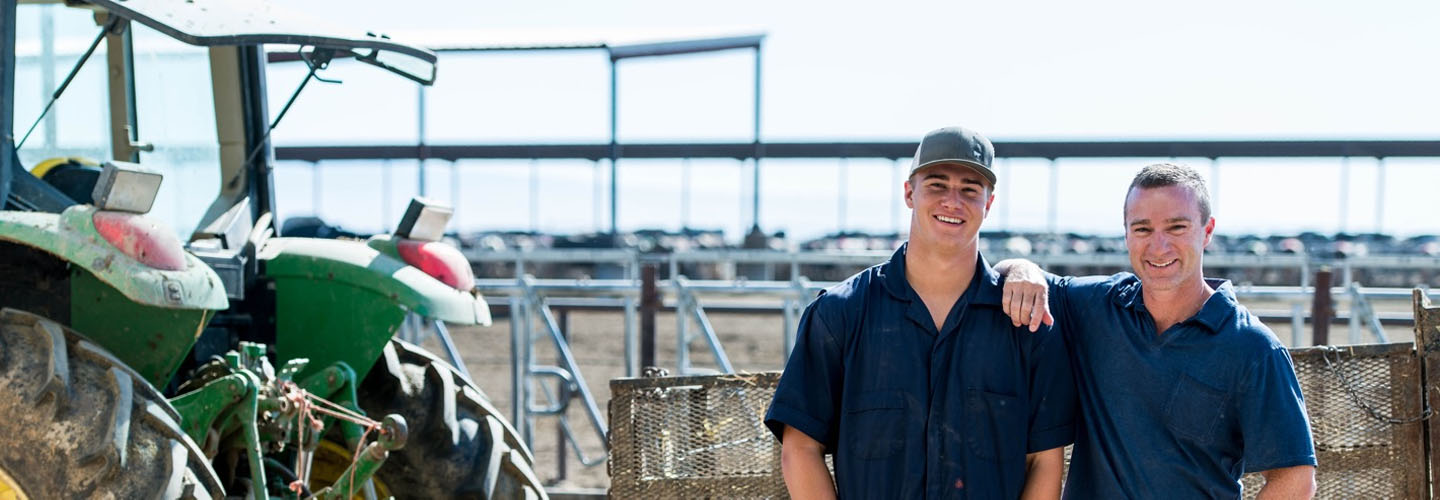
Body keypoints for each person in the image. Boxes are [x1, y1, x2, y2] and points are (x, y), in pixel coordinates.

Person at [765, 126, 1077, 499]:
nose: (952, 201)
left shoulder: (1025, 327)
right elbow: (800, 449)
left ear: (988, 204)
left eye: (969, 190)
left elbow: (1044, 462)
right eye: (937, 185)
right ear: (909, 192)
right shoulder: (841, 314)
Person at [997, 163, 1317, 498]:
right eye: (1143, 229)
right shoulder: (1095, 308)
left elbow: (1294, 478)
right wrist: (1022, 268)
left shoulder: (1253, 348)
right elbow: (1005, 273)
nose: (1159, 246)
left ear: (1207, 231)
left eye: (1176, 227)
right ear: (1126, 234)